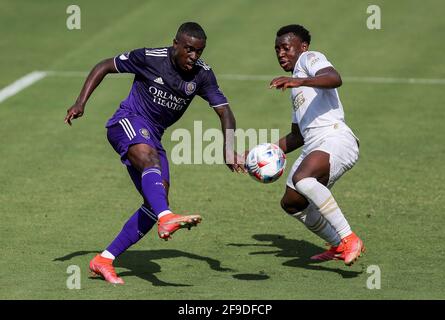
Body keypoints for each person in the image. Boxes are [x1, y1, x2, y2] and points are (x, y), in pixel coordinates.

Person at [64, 22, 245, 284]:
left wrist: (228, 149)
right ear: (176, 44)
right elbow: (104, 65)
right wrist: (81, 102)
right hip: (126, 122)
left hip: (153, 137)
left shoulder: (203, 75)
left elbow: (225, 111)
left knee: (155, 197)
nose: (194, 57)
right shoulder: (150, 58)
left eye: (199, 51)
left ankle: (104, 259)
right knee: (154, 177)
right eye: (189, 50)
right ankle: (167, 217)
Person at [268, 24, 365, 266]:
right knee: (292, 202)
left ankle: (350, 238)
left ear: (302, 47)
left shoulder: (310, 59)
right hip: (314, 145)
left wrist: (298, 82)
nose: (281, 53)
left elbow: (334, 78)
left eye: (286, 48)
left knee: (303, 178)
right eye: (277, 49)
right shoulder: (297, 88)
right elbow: (297, 136)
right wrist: (265, 151)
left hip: (336, 139)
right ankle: (337, 244)